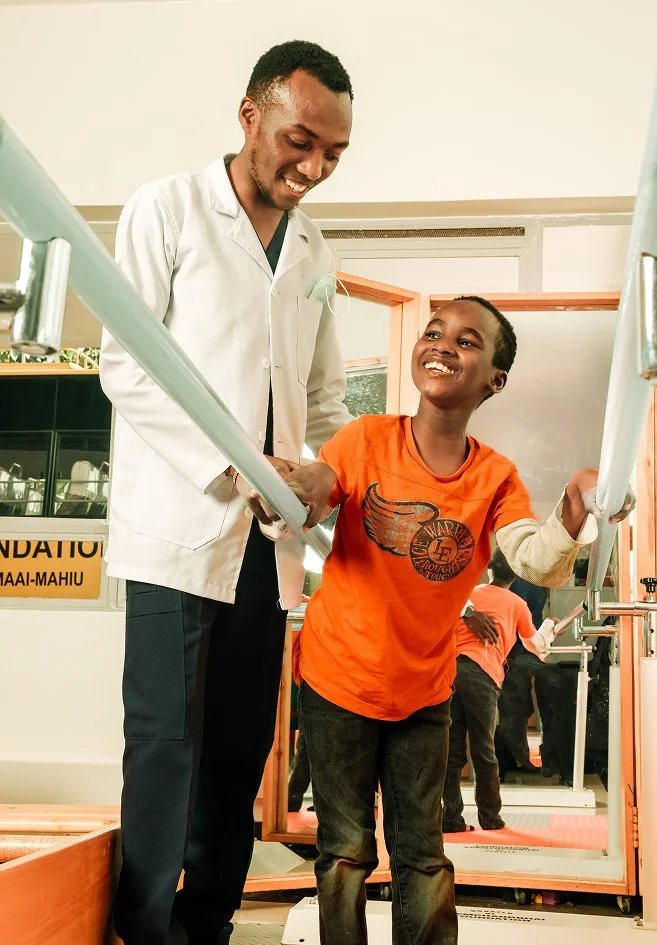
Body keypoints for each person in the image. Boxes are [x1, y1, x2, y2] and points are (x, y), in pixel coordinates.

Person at [250, 294, 634, 945]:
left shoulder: (494, 478)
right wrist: (298, 486)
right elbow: (320, 481)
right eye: (433, 332)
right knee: (344, 848)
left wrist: (573, 506)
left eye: (465, 340)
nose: (442, 345)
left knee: (421, 853)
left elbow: (535, 561)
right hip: (337, 675)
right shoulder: (365, 438)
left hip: (423, 689)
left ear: (494, 379)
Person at [99, 41, 354, 945]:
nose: (312, 166)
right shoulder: (164, 209)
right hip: (180, 526)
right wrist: (237, 473)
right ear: (249, 117)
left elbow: (323, 397)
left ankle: (204, 926)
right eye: (298, 140)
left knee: (240, 747)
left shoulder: (315, 245)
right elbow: (126, 371)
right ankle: (145, 930)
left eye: (332, 154)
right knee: (166, 747)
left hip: (269, 542)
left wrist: (318, 471)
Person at [442, 548, 556, 834]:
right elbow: (536, 647)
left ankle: (451, 818)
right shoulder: (517, 604)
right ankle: (490, 817)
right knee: (484, 750)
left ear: (488, 568)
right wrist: (550, 627)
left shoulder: (467, 595)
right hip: (482, 675)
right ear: (515, 576)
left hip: (450, 672)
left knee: (452, 751)